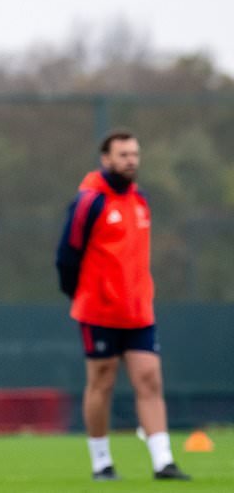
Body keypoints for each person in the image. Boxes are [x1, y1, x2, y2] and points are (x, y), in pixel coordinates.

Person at [55, 130, 190, 482]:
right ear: (106, 159)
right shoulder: (89, 201)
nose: (131, 160)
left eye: (135, 154)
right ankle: (102, 462)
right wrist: (82, 294)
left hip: (138, 310)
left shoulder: (140, 201)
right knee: (102, 382)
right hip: (99, 309)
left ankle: (163, 461)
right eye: (123, 155)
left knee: (149, 379)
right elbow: (67, 255)